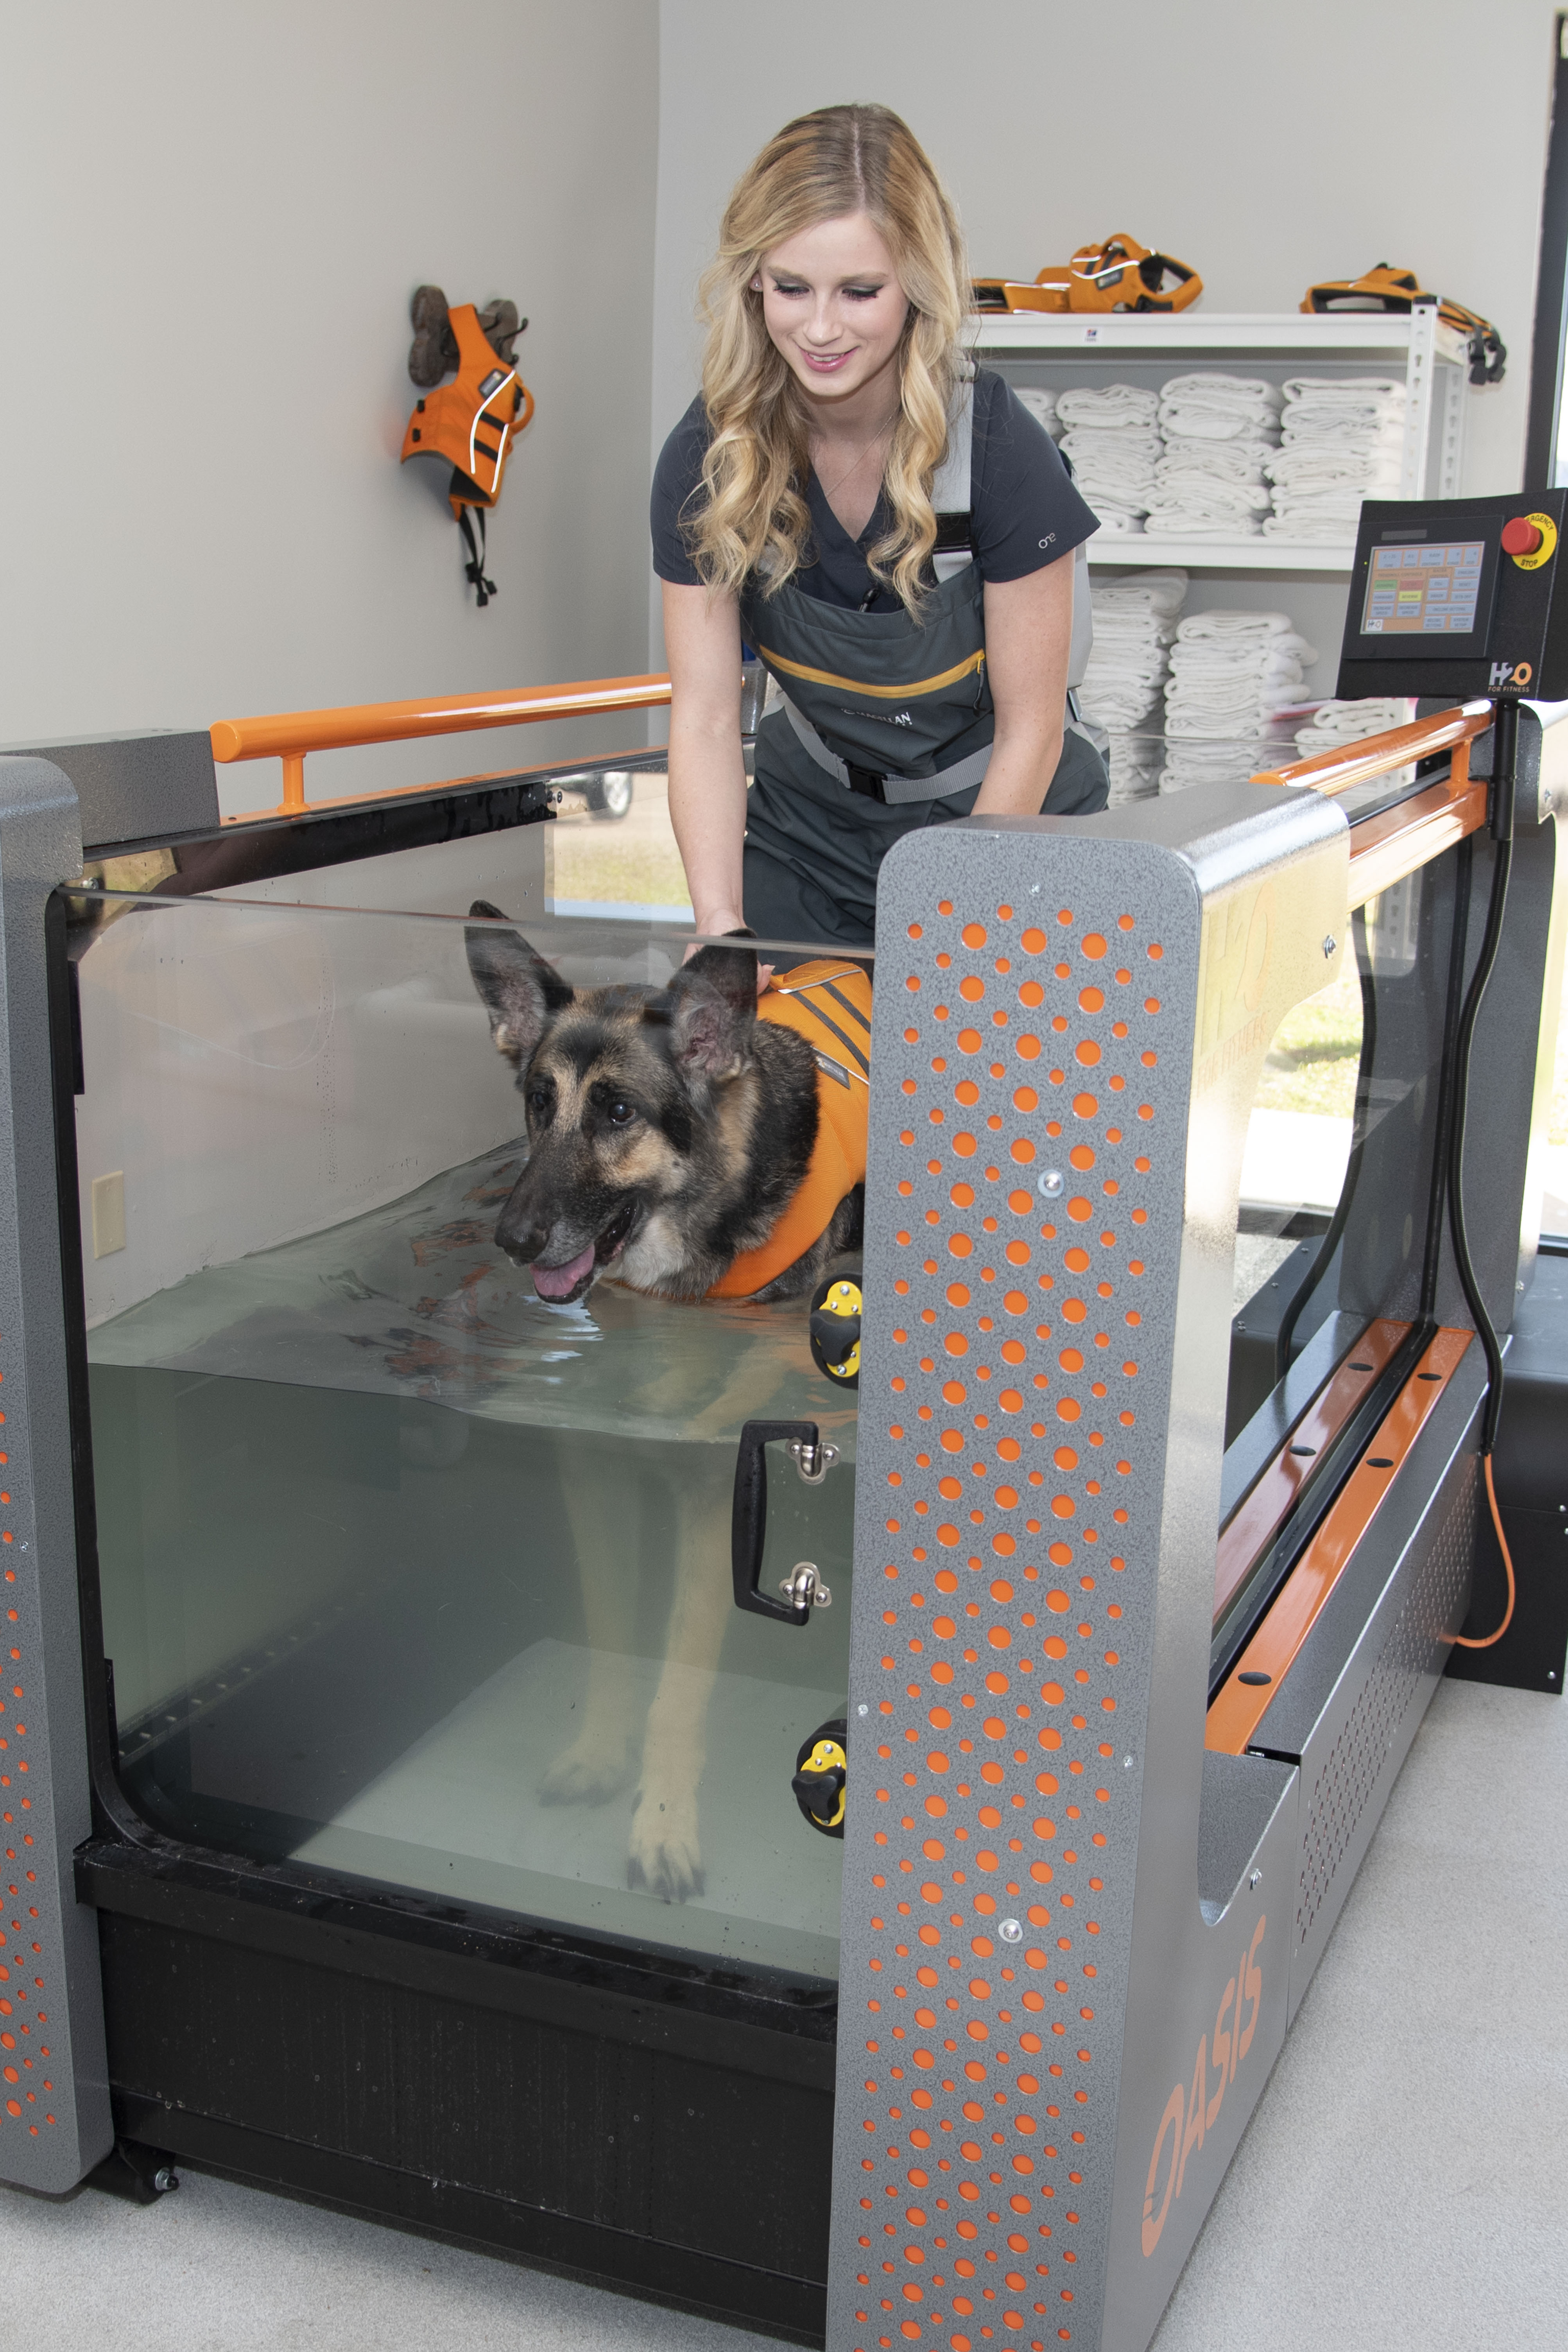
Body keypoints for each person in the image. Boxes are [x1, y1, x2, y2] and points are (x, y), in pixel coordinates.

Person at [651, 102, 1106, 957]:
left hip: (1003, 823)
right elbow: (708, 716)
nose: (820, 328)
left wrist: (959, 926)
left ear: (917, 287)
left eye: (860, 291)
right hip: (807, 835)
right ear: (752, 281)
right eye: (791, 287)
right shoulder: (708, 457)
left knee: (974, 1080)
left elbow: (1031, 730)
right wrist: (717, 926)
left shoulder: (1000, 451)